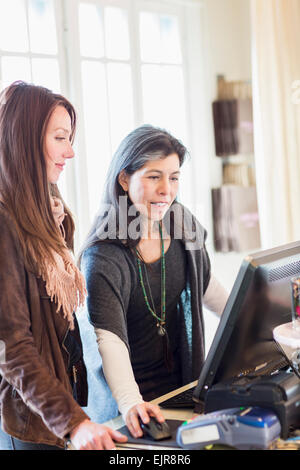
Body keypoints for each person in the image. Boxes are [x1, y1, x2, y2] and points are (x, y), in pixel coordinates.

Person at [0, 81, 127, 450]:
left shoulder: (50, 209)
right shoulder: (5, 220)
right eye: (60, 137)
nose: (70, 151)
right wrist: (72, 422)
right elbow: (10, 343)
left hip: (59, 406)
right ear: (25, 139)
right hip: (30, 419)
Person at [80, 125, 228, 439]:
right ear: (124, 179)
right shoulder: (103, 254)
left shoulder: (180, 221)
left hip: (183, 390)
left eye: (173, 177)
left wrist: (255, 324)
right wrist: (131, 401)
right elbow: (109, 338)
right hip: (133, 406)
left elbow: (205, 285)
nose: (166, 190)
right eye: (153, 176)